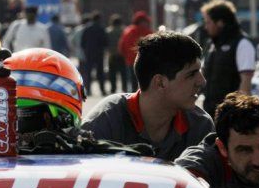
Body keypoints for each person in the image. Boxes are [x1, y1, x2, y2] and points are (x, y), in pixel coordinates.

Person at [81, 32, 213, 161]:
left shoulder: (200, 126)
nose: (202, 81)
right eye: (191, 74)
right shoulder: (105, 122)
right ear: (160, 82)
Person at [201, 0, 256, 118]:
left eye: (208, 22)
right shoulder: (212, 45)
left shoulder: (242, 44)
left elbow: (245, 85)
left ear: (220, 22)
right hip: (210, 113)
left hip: (230, 117)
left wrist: (240, 116)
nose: (206, 27)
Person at [118, 11, 153, 91]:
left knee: (133, 81)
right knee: (144, 82)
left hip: (131, 61)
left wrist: (125, 56)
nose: (147, 23)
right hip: (145, 61)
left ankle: (133, 98)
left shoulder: (128, 31)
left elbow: (121, 46)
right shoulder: (148, 32)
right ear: (141, 22)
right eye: (146, 22)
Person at [81, 11, 108, 96]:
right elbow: (105, 42)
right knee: (100, 72)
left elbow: (82, 42)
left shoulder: (87, 28)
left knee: (88, 72)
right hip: (99, 53)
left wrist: (86, 50)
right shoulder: (101, 28)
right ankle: (102, 90)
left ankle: (88, 90)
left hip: (89, 53)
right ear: (99, 19)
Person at [106, 14, 127, 93]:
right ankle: (124, 88)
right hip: (122, 55)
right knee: (123, 73)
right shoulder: (124, 31)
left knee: (112, 73)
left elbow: (106, 43)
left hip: (112, 55)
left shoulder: (108, 31)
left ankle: (113, 89)